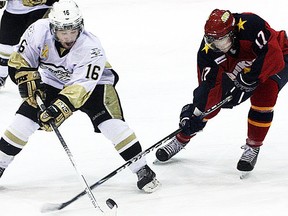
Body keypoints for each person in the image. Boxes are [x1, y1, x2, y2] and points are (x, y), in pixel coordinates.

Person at [0, 0, 160, 193]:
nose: (68, 37)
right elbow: (20, 60)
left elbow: (80, 89)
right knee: (22, 122)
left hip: (95, 86)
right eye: (63, 31)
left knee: (112, 125)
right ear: (53, 28)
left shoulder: (91, 48)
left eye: (73, 31)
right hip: (53, 81)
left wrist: (57, 108)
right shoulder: (38, 31)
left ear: (80, 26)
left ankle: (142, 168)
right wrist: (25, 78)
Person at [156, 9, 288, 174]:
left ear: (232, 33)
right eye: (212, 40)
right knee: (213, 103)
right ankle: (182, 137)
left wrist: (250, 78)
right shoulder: (209, 50)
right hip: (240, 62)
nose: (215, 44)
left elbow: (273, 55)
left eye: (221, 39)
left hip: (280, 56)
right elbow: (208, 86)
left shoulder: (251, 25)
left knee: (264, 95)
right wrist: (196, 111)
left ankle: (253, 146)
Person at [0, 0, 59, 89]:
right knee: (5, 47)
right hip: (13, 10)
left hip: (41, 9)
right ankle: (2, 74)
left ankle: (47, 82)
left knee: (36, 46)